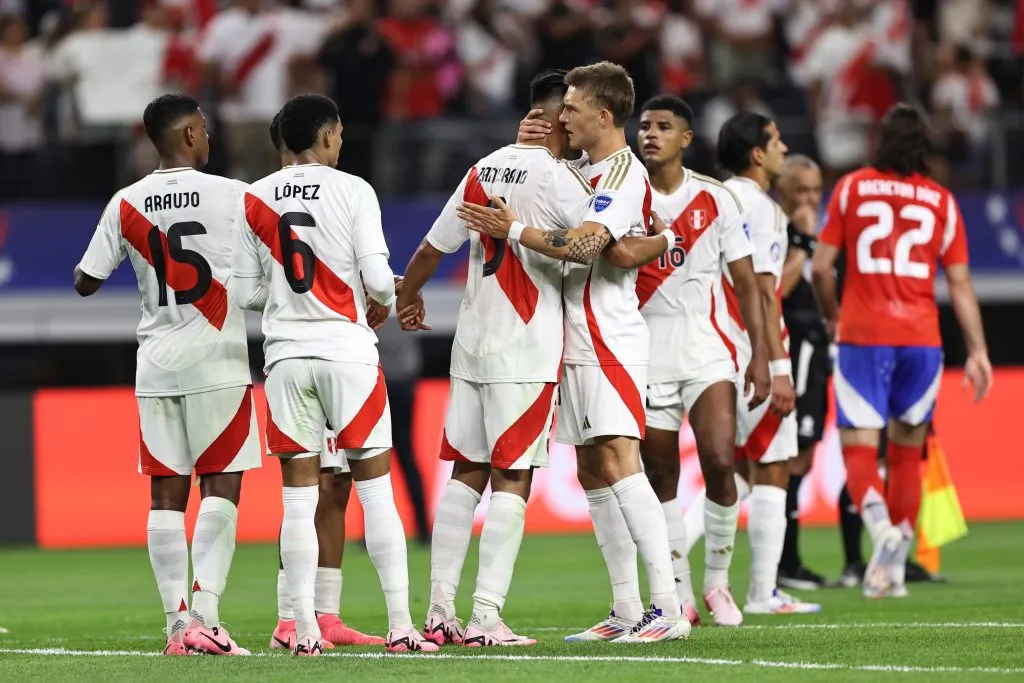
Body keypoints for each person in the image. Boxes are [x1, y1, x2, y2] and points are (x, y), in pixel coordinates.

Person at [458, 61, 689, 643]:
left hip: (606, 335)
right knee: (591, 469)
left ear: (603, 116)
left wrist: (512, 230)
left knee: (620, 458)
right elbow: (611, 242)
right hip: (570, 336)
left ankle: (668, 607)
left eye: (573, 108)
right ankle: (627, 608)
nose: (564, 115)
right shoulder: (581, 170)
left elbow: (589, 245)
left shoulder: (619, 174)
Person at [231, 94, 437, 655]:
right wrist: (382, 300)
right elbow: (375, 279)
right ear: (324, 136)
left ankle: (301, 630)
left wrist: (285, 297)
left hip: (286, 359)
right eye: (338, 134)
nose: (341, 142)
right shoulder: (354, 190)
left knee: (297, 502)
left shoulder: (254, 197)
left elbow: (244, 291)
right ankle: (401, 628)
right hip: (347, 354)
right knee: (376, 493)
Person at [397, 69, 586, 647]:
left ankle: (438, 612)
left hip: (472, 339)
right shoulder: (558, 177)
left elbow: (431, 248)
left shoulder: (483, 167)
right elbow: (595, 246)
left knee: (467, 472)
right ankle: (484, 616)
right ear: (557, 117)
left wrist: (408, 299)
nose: (579, 126)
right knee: (513, 474)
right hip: (525, 343)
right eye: (574, 114)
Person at [74, 93, 257, 656]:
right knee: (222, 484)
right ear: (186, 135)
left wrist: (140, 248)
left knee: (166, 494)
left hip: (155, 364)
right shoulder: (235, 195)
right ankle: (206, 614)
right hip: (218, 361)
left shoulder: (125, 201)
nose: (208, 137)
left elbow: (85, 281)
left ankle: (177, 626)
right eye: (202, 128)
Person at [811, 103, 992, 599]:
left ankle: (882, 531)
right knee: (910, 452)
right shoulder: (942, 200)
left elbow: (821, 267)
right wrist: (977, 351)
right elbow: (959, 284)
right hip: (922, 340)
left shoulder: (851, 188)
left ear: (879, 140)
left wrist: (833, 316)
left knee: (859, 449)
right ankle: (892, 565)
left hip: (864, 336)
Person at [633, 94, 771, 627]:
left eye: (664, 127)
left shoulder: (716, 200)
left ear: (686, 139)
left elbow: (748, 284)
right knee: (661, 474)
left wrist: (760, 358)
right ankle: (681, 593)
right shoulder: (624, 197)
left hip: (709, 348)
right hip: (646, 352)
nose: (651, 134)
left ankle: (718, 582)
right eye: (644, 126)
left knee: (718, 459)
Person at [264, 111, 384, 650]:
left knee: (335, 488)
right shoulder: (342, 190)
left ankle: (327, 615)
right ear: (327, 135)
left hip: (315, 352)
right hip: (320, 353)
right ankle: (291, 615)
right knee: (304, 491)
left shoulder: (321, 196)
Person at [719, 112, 820, 615]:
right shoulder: (763, 208)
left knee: (733, 473)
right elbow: (764, 289)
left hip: (713, 347)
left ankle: (673, 582)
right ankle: (763, 593)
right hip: (753, 349)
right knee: (772, 467)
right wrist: (777, 366)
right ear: (757, 154)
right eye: (777, 141)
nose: (784, 148)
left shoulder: (715, 197)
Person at [774, 154, 832, 590]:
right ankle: (785, 563)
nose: (810, 199)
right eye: (801, 190)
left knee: (803, 454)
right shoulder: (778, 227)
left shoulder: (824, 232)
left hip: (815, 345)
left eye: (815, 190)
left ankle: (788, 561)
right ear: (784, 190)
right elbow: (776, 291)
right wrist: (803, 244)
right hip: (788, 347)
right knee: (789, 456)